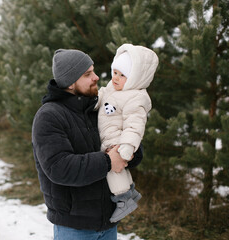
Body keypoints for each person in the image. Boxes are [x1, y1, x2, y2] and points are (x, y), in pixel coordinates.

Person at [32, 48, 143, 240]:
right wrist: (108, 161)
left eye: (93, 71)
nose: (96, 77)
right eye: (87, 74)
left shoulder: (97, 109)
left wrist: (130, 151)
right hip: (74, 227)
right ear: (70, 82)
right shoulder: (49, 116)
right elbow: (59, 168)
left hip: (108, 223)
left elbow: (125, 146)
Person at [96, 43, 159, 223]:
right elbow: (102, 95)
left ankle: (123, 199)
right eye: (114, 72)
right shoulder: (112, 87)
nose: (115, 78)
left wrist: (127, 146)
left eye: (122, 75)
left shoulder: (136, 98)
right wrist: (95, 100)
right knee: (118, 169)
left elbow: (135, 126)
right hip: (107, 134)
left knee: (113, 169)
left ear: (135, 78)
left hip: (117, 140)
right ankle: (130, 191)